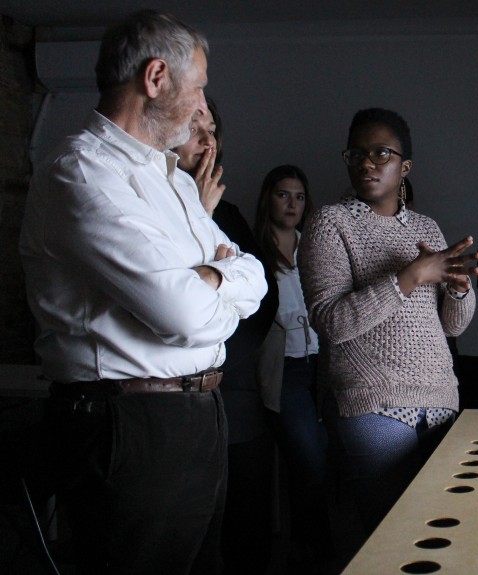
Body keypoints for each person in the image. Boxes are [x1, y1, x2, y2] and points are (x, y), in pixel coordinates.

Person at [18, 10, 268, 575]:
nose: (203, 107)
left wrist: (210, 277)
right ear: (156, 78)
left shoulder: (175, 179)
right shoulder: (81, 172)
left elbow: (254, 277)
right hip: (128, 425)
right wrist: (214, 280)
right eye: (198, 88)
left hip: (197, 416)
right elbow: (184, 315)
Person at [298, 108, 478, 559]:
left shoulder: (426, 227)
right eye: (356, 153)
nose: (367, 163)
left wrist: (459, 290)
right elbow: (331, 321)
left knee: (442, 534)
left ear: (405, 166)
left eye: (381, 153)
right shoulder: (329, 223)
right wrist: (409, 277)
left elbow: (452, 326)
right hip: (372, 402)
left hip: (440, 398)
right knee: (395, 541)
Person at [172, 97, 279, 575]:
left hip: (232, 387)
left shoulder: (230, 215)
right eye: (194, 125)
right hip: (169, 399)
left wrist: (215, 356)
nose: (207, 139)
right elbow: (172, 299)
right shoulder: (147, 212)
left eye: (213, 128)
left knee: (245, 522)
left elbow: (260, 298)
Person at [253, 164, 334, 571]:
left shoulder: (314, 247)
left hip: (323, 365)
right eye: (283, 194)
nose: (292, 204)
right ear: (268, 198)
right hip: (284, 369)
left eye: (299, 197)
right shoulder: (253, 250)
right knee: (308, 458)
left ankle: (310, 547)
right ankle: (312, 549)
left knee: (324, 458)